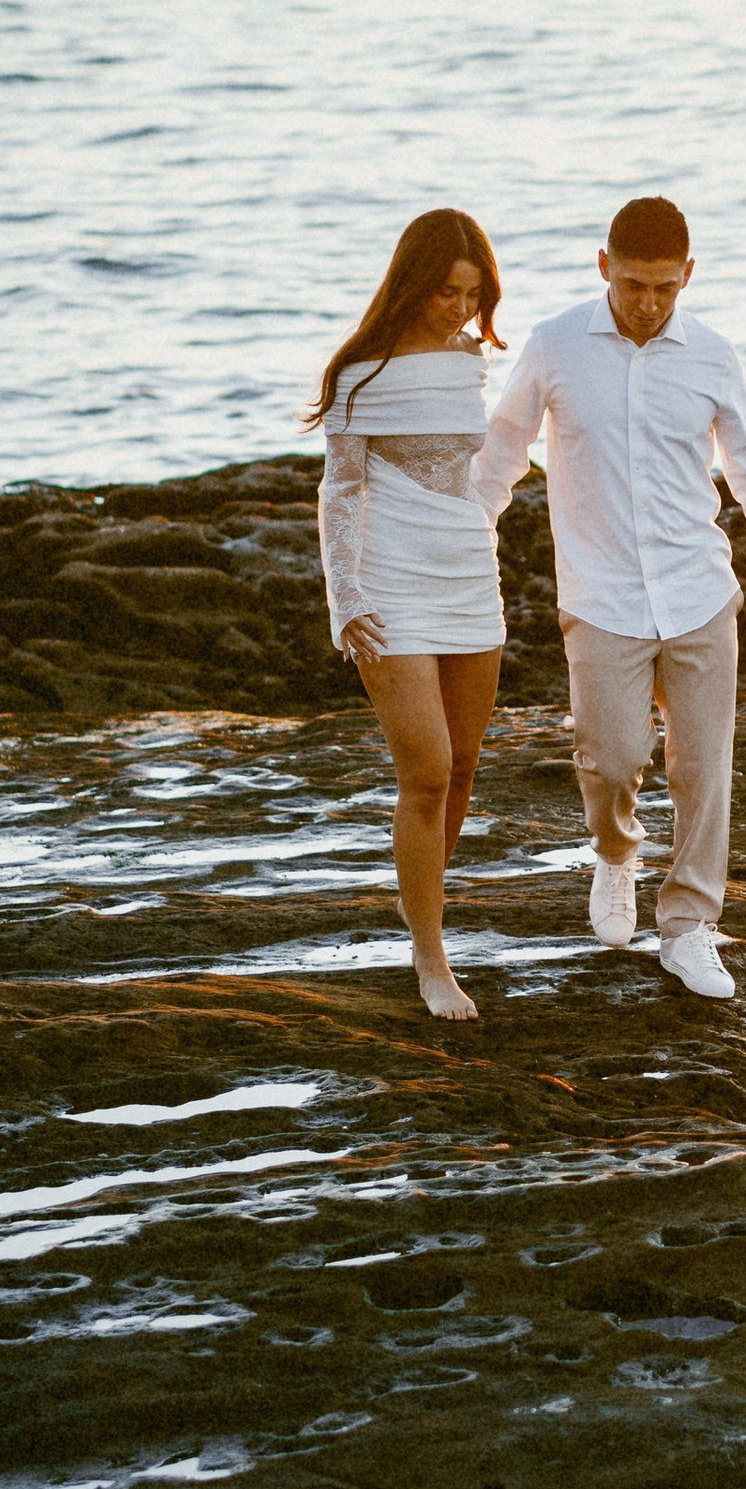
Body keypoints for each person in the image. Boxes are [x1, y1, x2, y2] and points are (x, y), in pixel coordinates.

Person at [475, 195, 746, 1000]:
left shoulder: (712, 355)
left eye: (665, 287)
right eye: (633, 285)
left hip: (698, 589)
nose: (649, 303)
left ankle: (691, 926)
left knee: (704, 769)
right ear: (604, 269)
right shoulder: (556, 346)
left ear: (687, 276)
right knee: (612, 756)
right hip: (602, 596)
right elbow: (501, 450)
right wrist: (464, 544)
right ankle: (616, 854)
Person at [307, 208, 510, 1023]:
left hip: (466, 569)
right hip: (389, 580)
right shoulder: (362, 373)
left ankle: (418, 898)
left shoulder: (470, 364)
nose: (460, 308)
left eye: (473, 293)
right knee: (424, 771)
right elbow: (340, 490)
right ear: (412, 283)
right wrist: (345, 596)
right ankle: (431, 956)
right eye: (446, 292)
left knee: (462, 767)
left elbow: (481, 466)